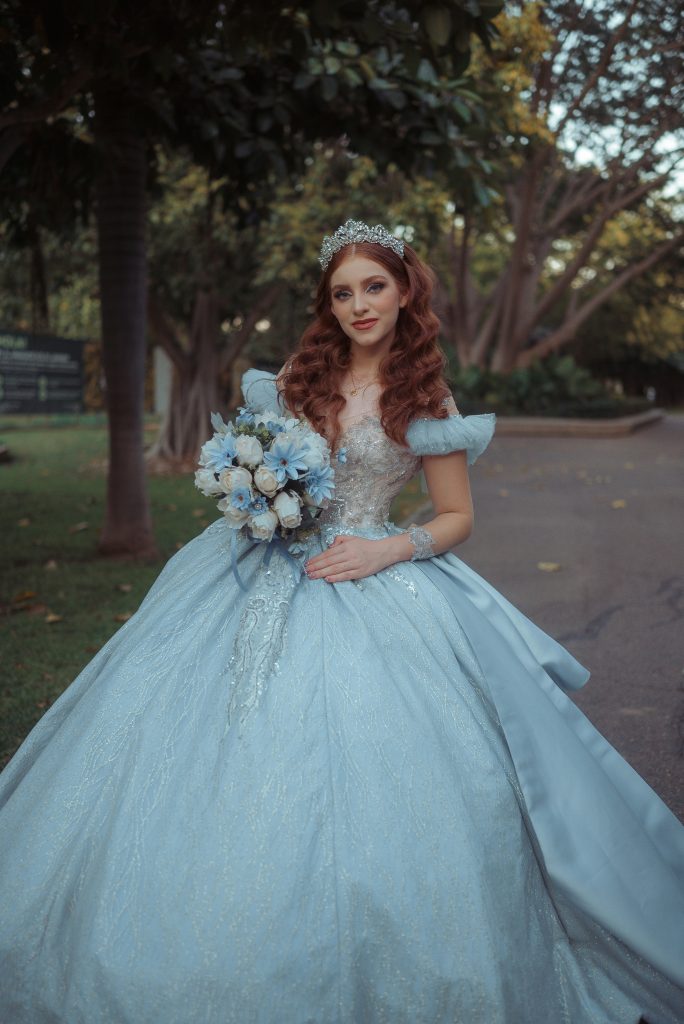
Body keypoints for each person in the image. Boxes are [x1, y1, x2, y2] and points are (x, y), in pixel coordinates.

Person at [0, 218, 682, 1024]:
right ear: (329, 303)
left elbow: (457, 516)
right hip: (249, 569)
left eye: (375, 286)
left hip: (368, 578)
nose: (359, 305)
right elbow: (257, 460)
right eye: (343, 292)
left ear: (405, 291)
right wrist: (250, 496)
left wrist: (386, 550)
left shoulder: (425, 396)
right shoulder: (296, 375)